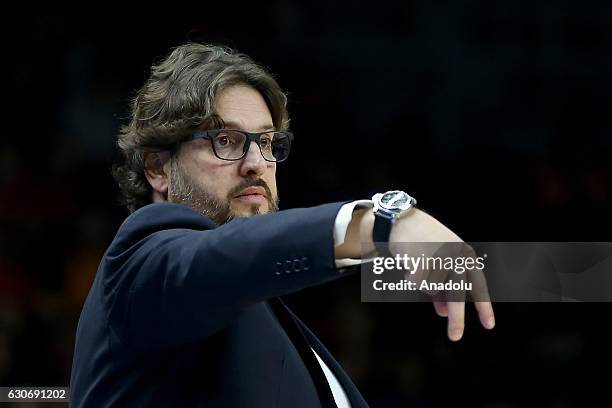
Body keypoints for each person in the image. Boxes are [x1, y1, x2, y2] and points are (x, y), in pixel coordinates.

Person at [69, 43, 495, 407]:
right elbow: (218, 258)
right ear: (157, 167)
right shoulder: (141, 261)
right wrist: (380, 225)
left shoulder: (250, 299)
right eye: (226, 141)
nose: (257, 164)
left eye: (267, 142)